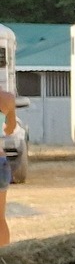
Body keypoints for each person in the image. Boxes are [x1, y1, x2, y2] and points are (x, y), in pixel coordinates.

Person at [0, 84, 15, 248]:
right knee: (0, 219)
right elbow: (10, 129)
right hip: (0, 160)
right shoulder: (7, 98)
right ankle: (4, 256)